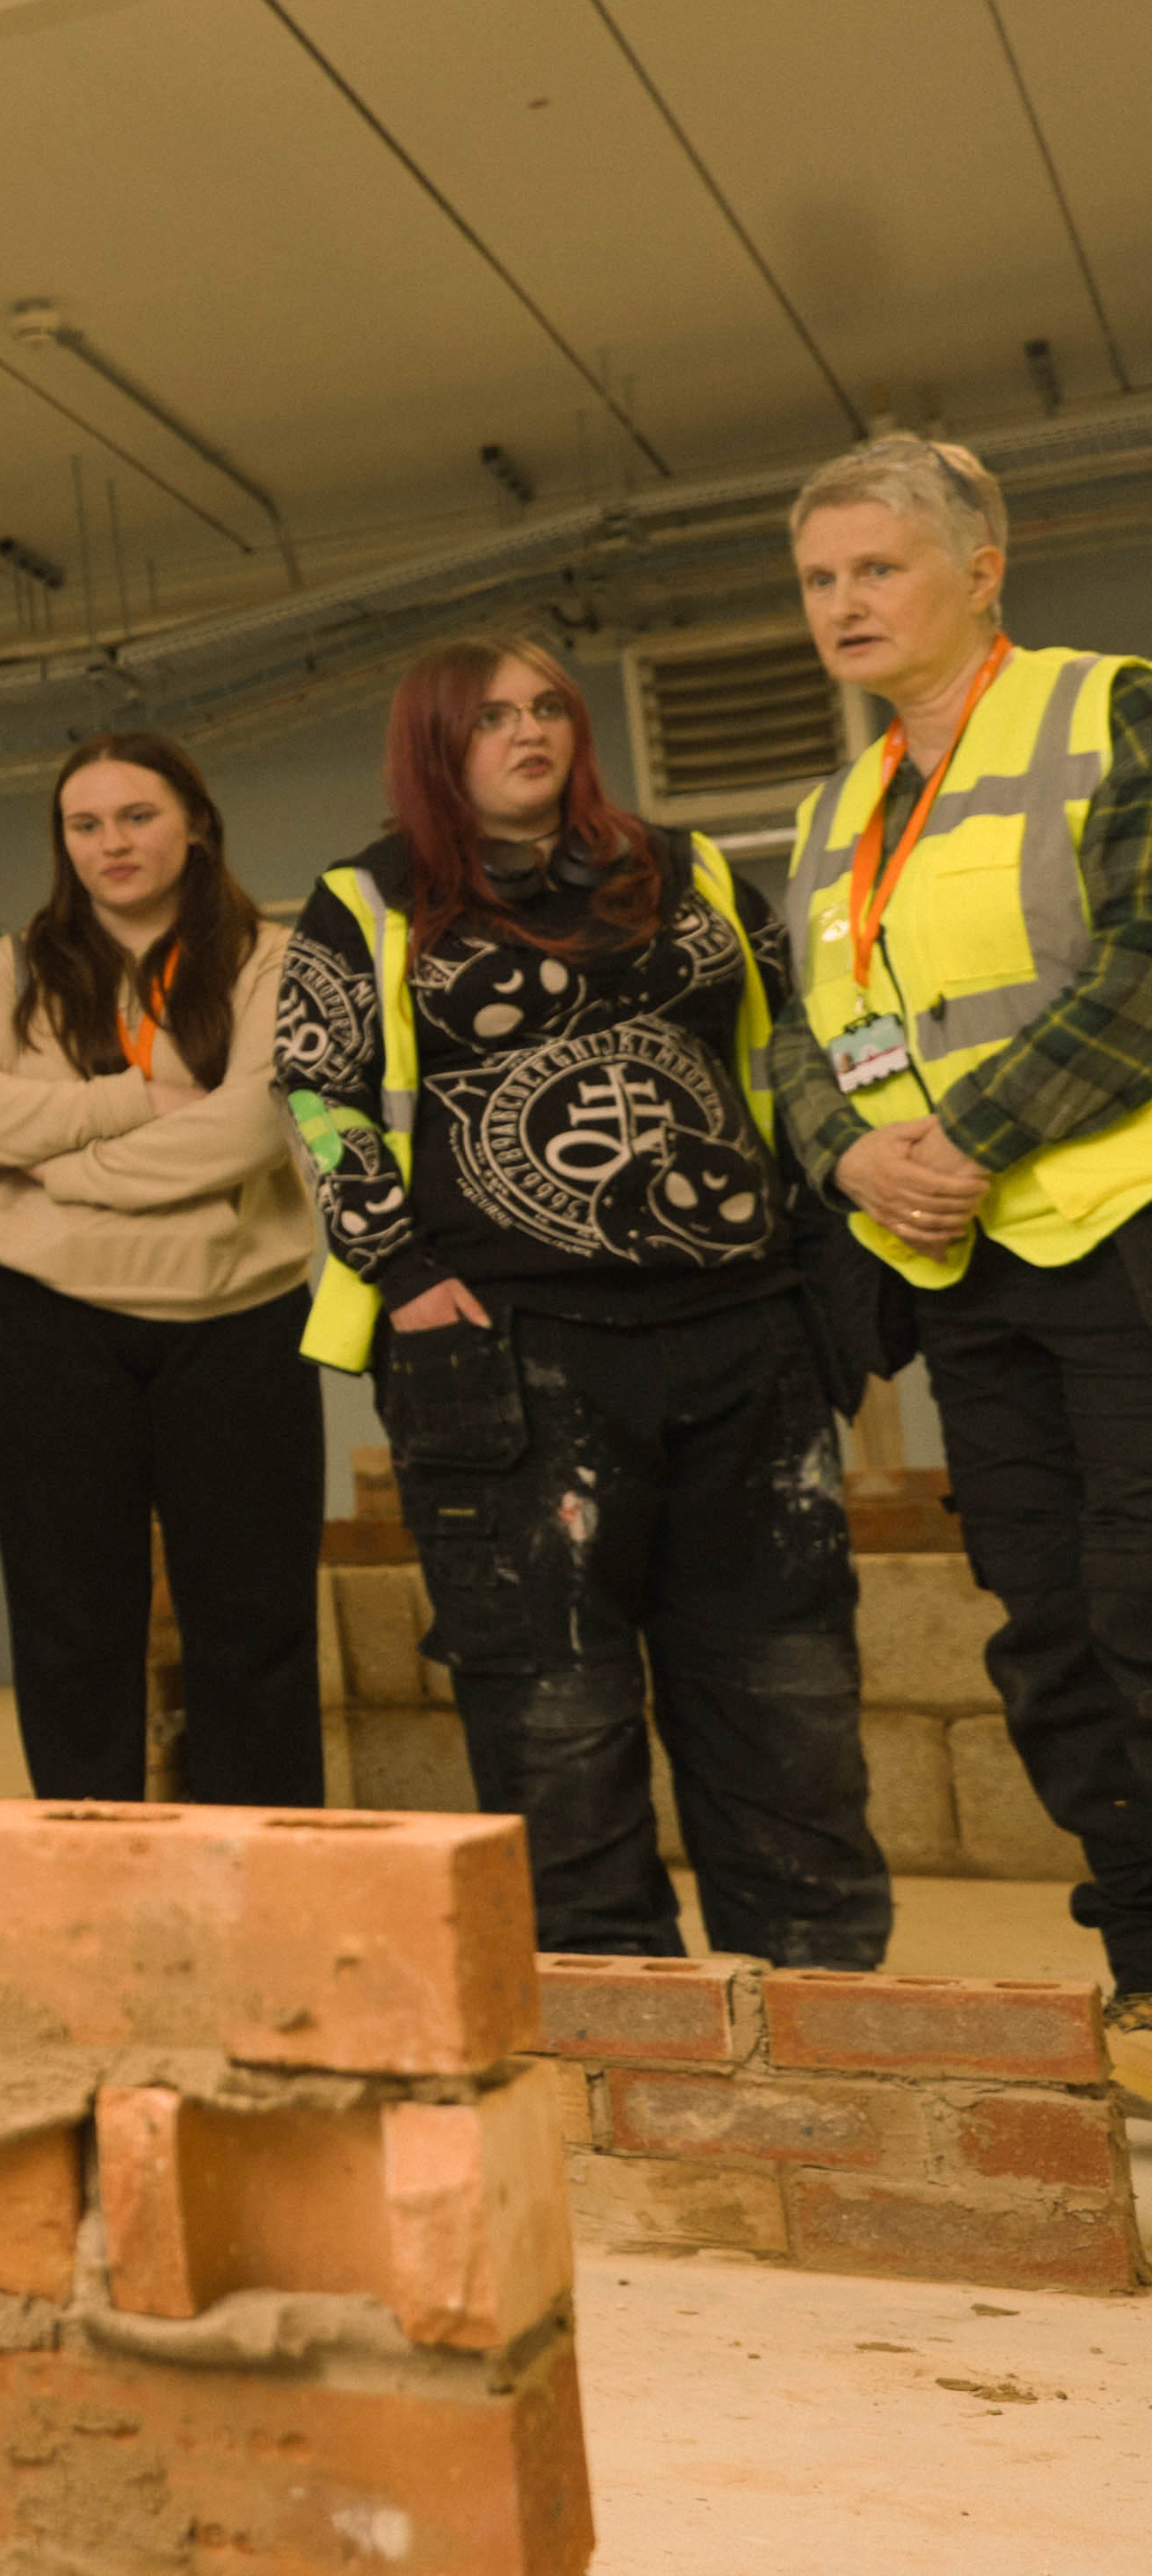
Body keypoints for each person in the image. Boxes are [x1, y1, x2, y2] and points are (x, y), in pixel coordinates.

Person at [280, 638, 885, 1963]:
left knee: (786, 1695)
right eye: (490, 716)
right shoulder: (367, 900)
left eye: (547, 706)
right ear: (436, 745)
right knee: (558, 1716)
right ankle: (624, 2038)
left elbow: (793, 1039)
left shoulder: (691, 871)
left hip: (742, 1325)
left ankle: (827, 2015)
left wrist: (824, 1238)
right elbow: (320, 1103)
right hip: (510, 1349)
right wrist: (407, 1275)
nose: (528, 732)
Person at [762, 435, 1152, 2009]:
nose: (842, 604)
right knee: (1049, 1637)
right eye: (816, 580)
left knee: (1144, 1612)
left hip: (1119, 1244)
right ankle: (1140, 1953)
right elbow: (801, 1036)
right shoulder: (830, 812)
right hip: (967, 1281)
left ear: (981, 571)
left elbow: (1140, 971)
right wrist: (854, 1160)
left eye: (877, 567)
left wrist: (967, 1139)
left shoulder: (1110, 710)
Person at [0, 729, 321, 1804]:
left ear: (195, 823)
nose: (113, 843)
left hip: (238, 1315)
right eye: (86, 823)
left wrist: (63, 1168)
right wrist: (129, 1106)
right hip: (50, 1324)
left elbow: (251, 1128)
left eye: (138, 816)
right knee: (70, 1624)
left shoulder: (273, 960)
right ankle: (86, 1861)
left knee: (254, 1622)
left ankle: (271, 1863)